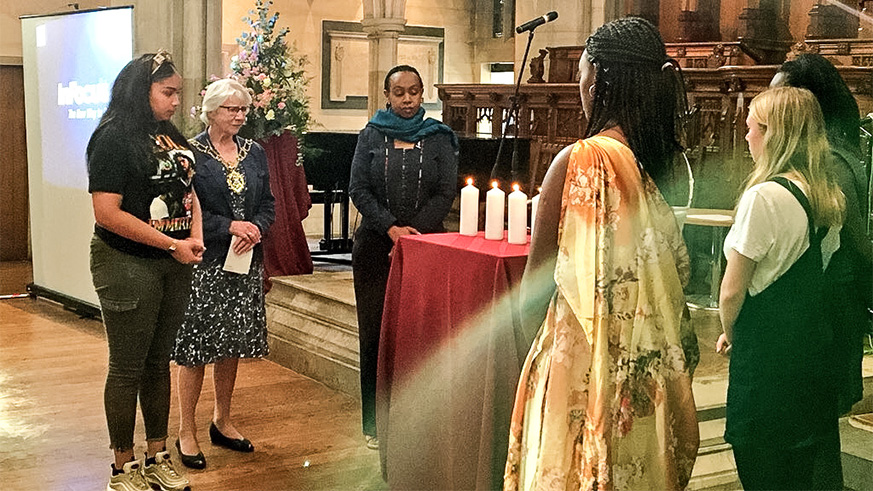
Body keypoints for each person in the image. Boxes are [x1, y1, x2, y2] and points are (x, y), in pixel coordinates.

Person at [504, 17, 700, 491]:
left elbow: (535, 288)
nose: (580, 88)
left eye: (582, 76)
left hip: (580, 368)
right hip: (643, 376)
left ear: (600, 82)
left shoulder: (580, 160)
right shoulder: (661, 163)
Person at [716, 87, 845, 490]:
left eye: (752, 128)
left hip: (766, 367)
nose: (747, 137)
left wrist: (731, 333)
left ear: (774, 134)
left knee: (761, 473)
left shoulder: (763, 198)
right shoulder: (825, 195)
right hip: (807, 359)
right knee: (797, 478)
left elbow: (732, 292)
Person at [87, 50, 202, 491]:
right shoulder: (113, 137)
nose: (175, 102)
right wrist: (173, 244)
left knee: (157, 364)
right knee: (127, 367)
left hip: (171, 263)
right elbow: (106, 213)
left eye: (178, 93)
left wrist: (192, 237)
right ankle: (123, 467)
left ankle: (156, 456)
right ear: (142, 91)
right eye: (167, 92)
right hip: (126, 263)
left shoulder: (169, 135)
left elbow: (189, 192)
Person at [349, 64, 458, 450]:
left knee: (420, 334)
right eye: (400, 93)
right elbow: (358, 189)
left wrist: (415, 233)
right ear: (387, 96)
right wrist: (392, 228)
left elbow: (446, 191)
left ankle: (418, 417)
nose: (408, 99)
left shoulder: (440, 137)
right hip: (377, 248)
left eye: (414, 92)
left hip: (427, 247)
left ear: (423, 92)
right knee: (375, 334)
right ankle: (374, 424)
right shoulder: (371, 135)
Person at [172, 78, 275, 469]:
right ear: (211, 111)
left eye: (244, 109)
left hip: (244, 262)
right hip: (206, 260)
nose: (239, 115)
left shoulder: (255, 152)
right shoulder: (191, 153)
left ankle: (222, 419)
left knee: (231, 343)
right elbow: (185, 210)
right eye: (232, 109)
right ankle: (186, 429)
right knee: (196, 347)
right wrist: (229, 226)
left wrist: (257, 228)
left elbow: (268, 203)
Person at [772, 53, 872, 417]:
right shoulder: (831, 155)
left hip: (832, 305)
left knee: (815, 422)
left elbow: (857, 244)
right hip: (829, 303)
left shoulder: (829, 162)